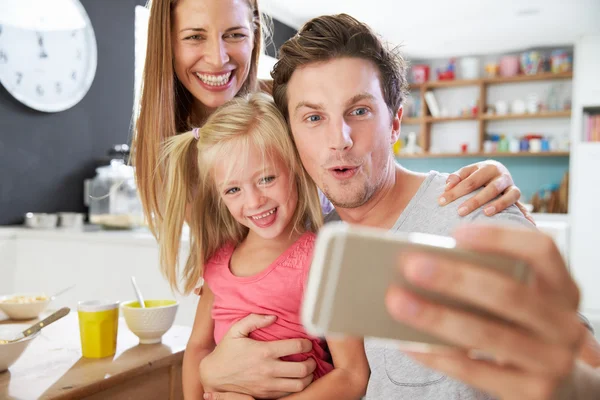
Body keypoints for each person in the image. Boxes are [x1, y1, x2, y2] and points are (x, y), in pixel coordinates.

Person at [200, 13, 600, 400]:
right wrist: (210, 369)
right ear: (291, 136)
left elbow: (579, 364)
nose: (338, 139)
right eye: (314, 117)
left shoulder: (473, 209)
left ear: (395, 122)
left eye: (359, 111)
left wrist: (578, 385)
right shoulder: (304, 237)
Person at [132, 0, 531, 243]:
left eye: (234, 34)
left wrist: (489, 179)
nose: (218, 58)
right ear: (167, 42)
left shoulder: (281, 104)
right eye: (194, 37)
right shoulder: (172, 153)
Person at [159, 93, 370, 399]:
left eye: (267, 179)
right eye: (233, 189)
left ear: (294, 167)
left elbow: (352, 375)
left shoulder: (322, 260)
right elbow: (198, 347)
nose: (254, 201)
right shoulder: (218, 261)